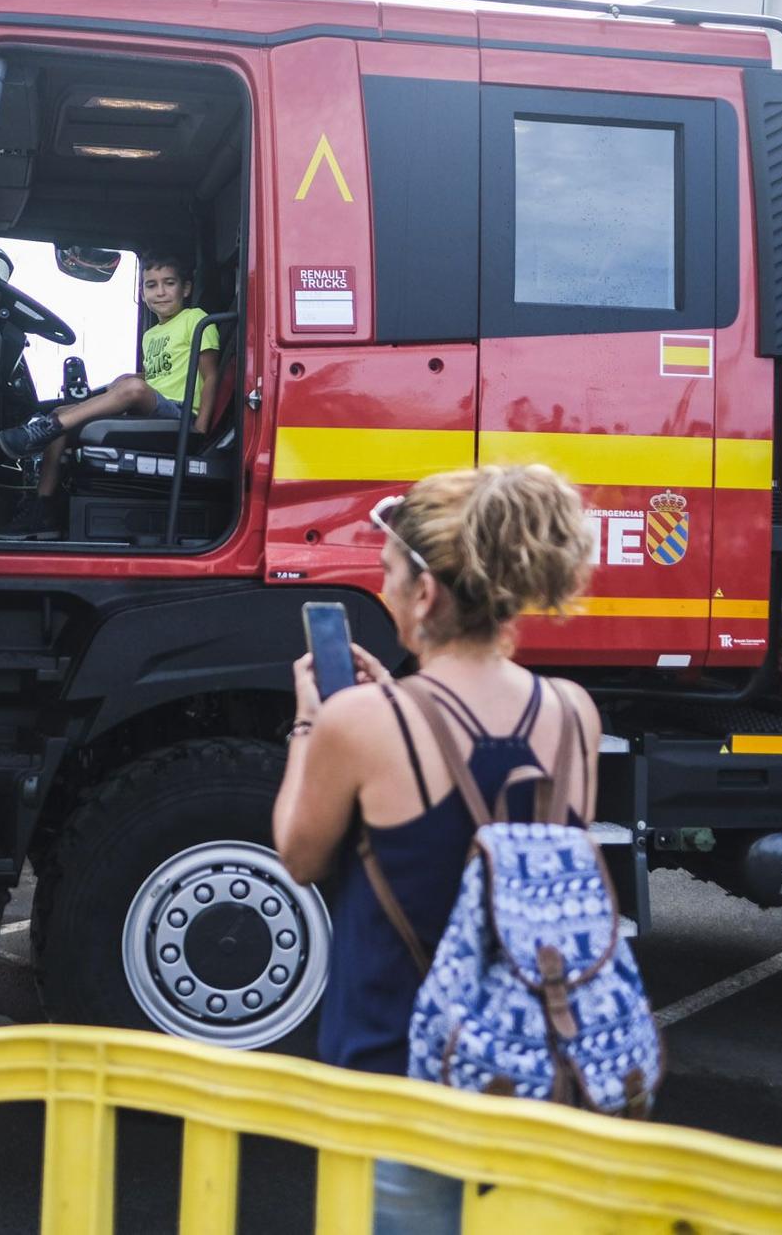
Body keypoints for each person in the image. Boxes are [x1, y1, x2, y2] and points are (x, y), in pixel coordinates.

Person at [271, 464, 601, 1234]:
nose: (383, 589)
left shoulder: (361, 723)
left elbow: (298, 854)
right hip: (527, 1074)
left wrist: (312, 723)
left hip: (395, 1078)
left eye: (388, 573)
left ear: (425, 595)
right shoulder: (573, 713)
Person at [0, 252, 222, 539]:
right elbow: (162, 374)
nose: (160, 292)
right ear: (143, 292)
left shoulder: (196, 319)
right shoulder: (152, 335)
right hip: (154, 411)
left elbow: (211, 375)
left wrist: (200, 428)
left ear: (185, 289)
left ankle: (44, 429)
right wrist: (125, 381)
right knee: (67, 414)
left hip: (181, 413)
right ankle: (42, 509)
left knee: (132, 388)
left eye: (169, 283)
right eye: (151, 285)